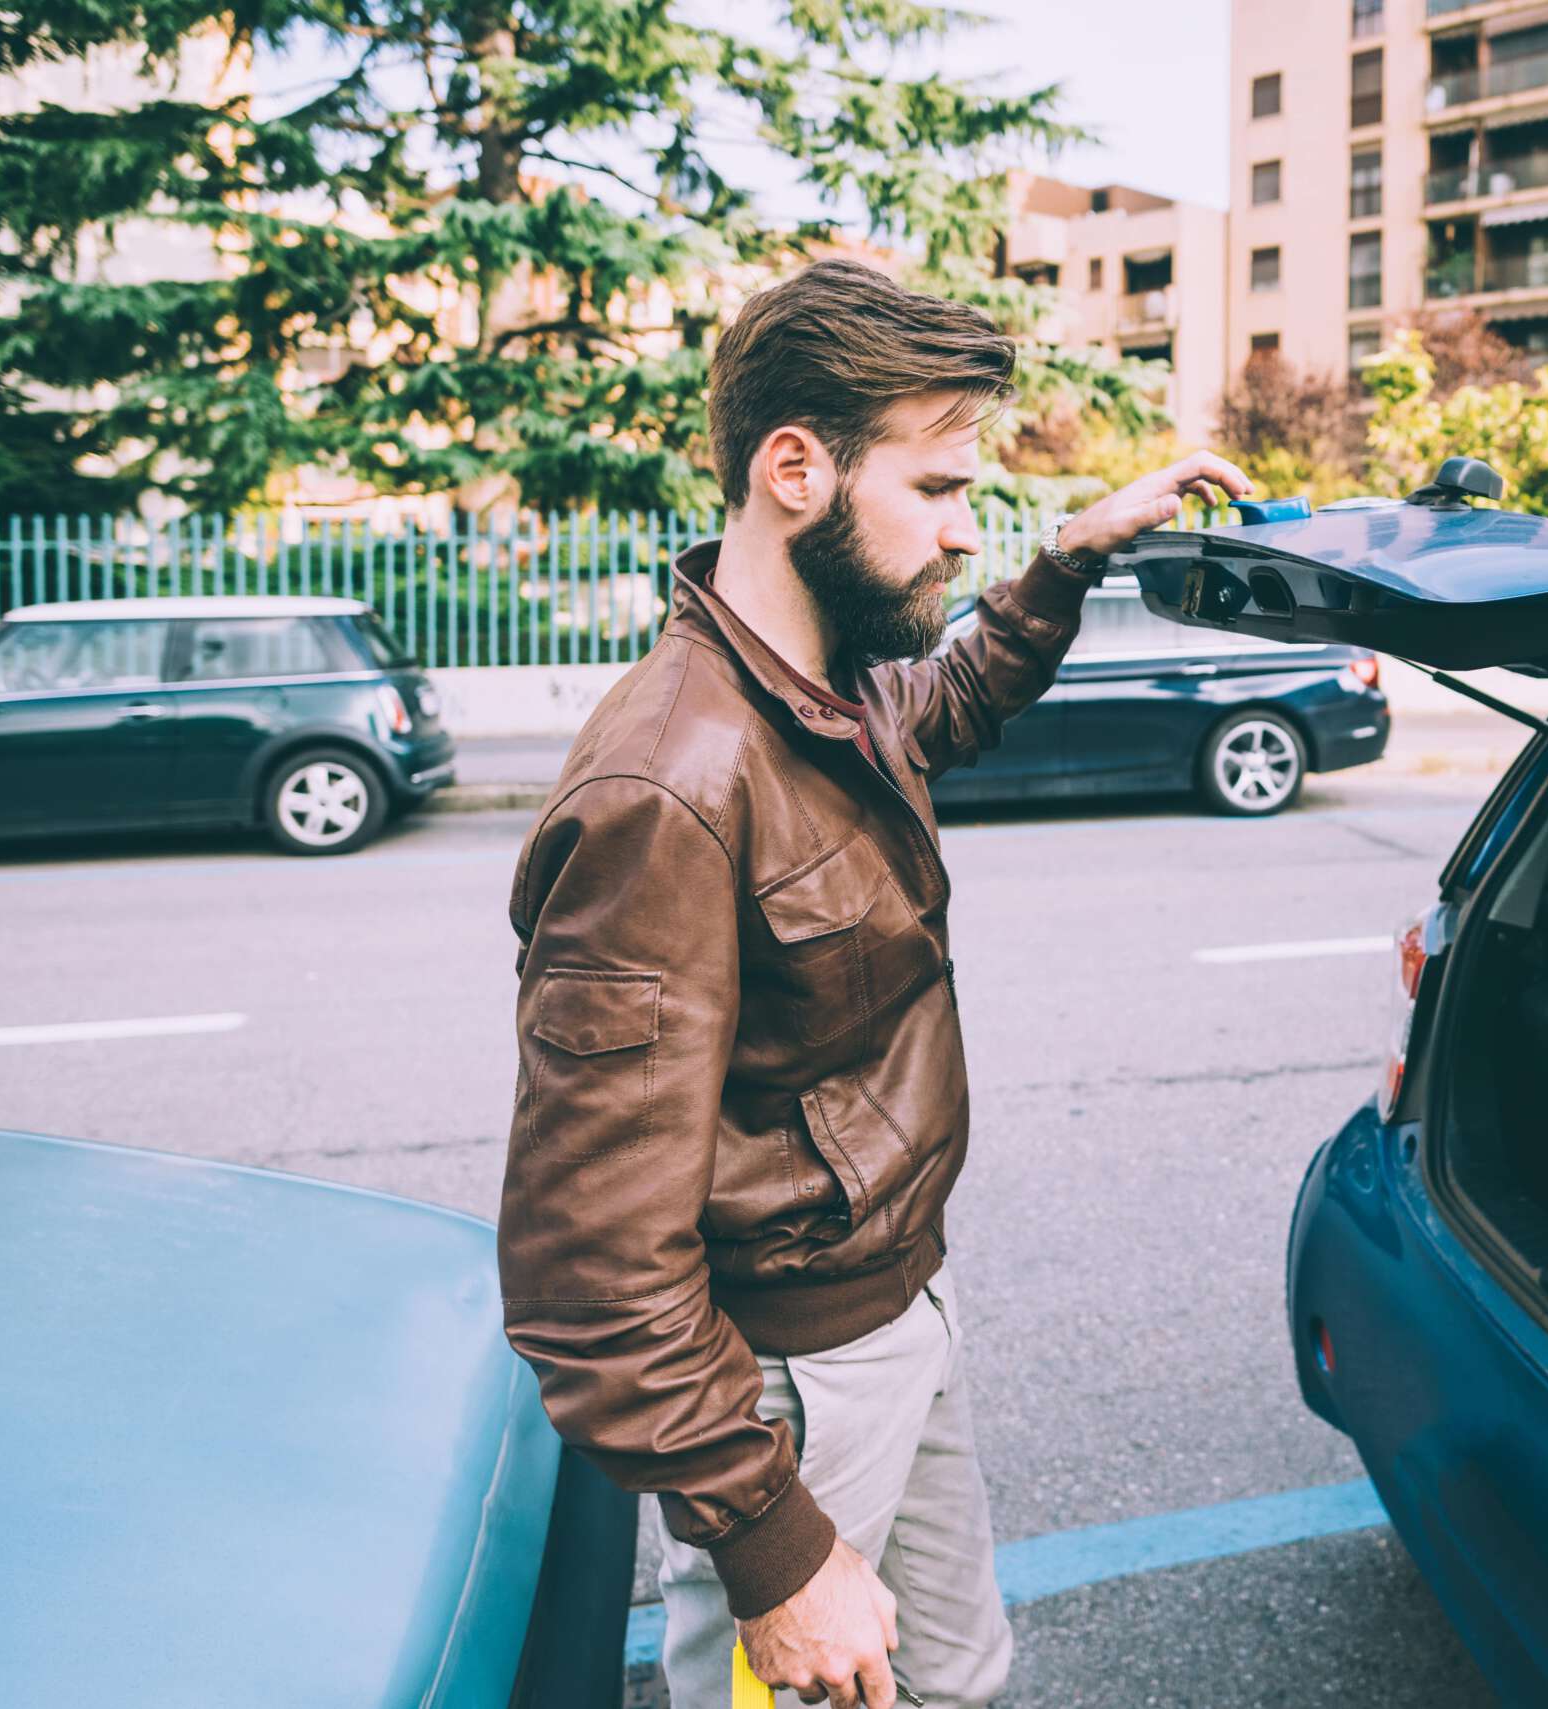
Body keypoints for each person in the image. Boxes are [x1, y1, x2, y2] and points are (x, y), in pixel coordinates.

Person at [497, 257, 1251, 1709]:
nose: (967, 532)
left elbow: (945, 702)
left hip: (903, 1311)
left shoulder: (822, 683)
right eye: (939, 488)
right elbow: (588, 1271)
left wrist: (1076, 553)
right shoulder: (667, 785)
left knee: (954, 1676)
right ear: (797, 469)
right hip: (788, 1396)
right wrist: (775, 1549)